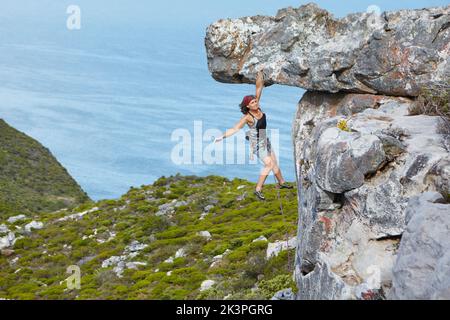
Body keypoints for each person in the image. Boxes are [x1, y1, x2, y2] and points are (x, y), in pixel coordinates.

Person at [214, 70, 293, 200]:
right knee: (269, 165)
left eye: (255, 101)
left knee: (274, 162)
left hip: (264, 137)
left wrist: (260, 74)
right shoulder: (247, 118)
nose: (255, 103)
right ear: (247, 106)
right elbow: (235, 129)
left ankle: (282, 182)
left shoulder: (258, 107)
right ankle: (258, 189)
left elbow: (258, 87)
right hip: (257, 143)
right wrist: (221, 137)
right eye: (252, 103)